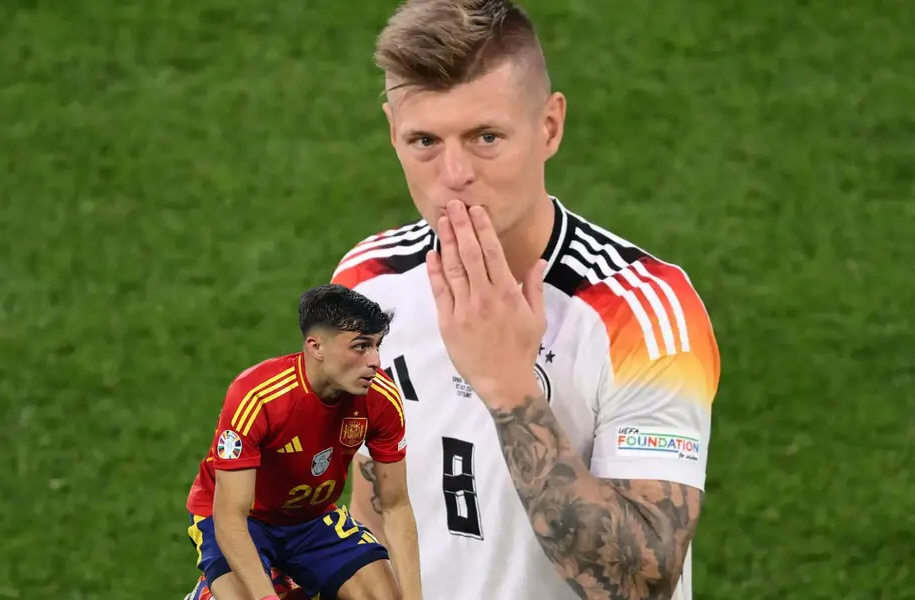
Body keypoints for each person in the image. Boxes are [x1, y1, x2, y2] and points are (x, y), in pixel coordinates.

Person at [330, 1, 721, 599]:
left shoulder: (642, 317)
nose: (454, 173)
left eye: (486, 137)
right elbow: (373, 506)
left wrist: (509, 388)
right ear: (392, 132)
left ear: (549, 127)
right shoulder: (367, 282)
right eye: (424, 140)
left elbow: (642, 584)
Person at [182, 284, 423, 600]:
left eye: (377, 346)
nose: (376, 360)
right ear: (316, 347)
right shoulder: (258, 397)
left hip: (312, 519)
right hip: (241, 519)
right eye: (361, 346)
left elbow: (395, 505)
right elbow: (230, 517)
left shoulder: (382, 398)